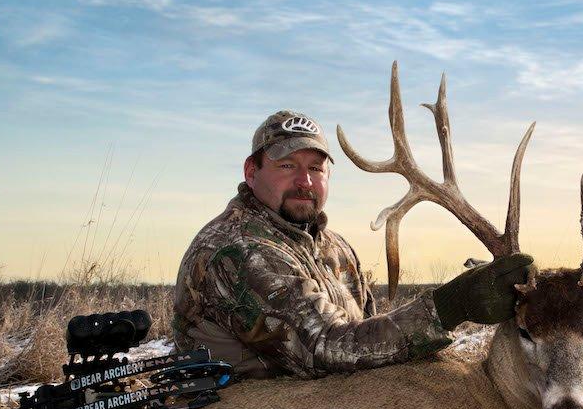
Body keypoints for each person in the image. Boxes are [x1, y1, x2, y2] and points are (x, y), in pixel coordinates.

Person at [172, 110, 532, 379]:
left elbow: (371, 339)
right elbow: (326, 348)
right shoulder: (235, 249)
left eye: (316, 168)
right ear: (251, 172)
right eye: (286, 166)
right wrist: (451, 306)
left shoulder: (334, 249)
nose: (304, 181)